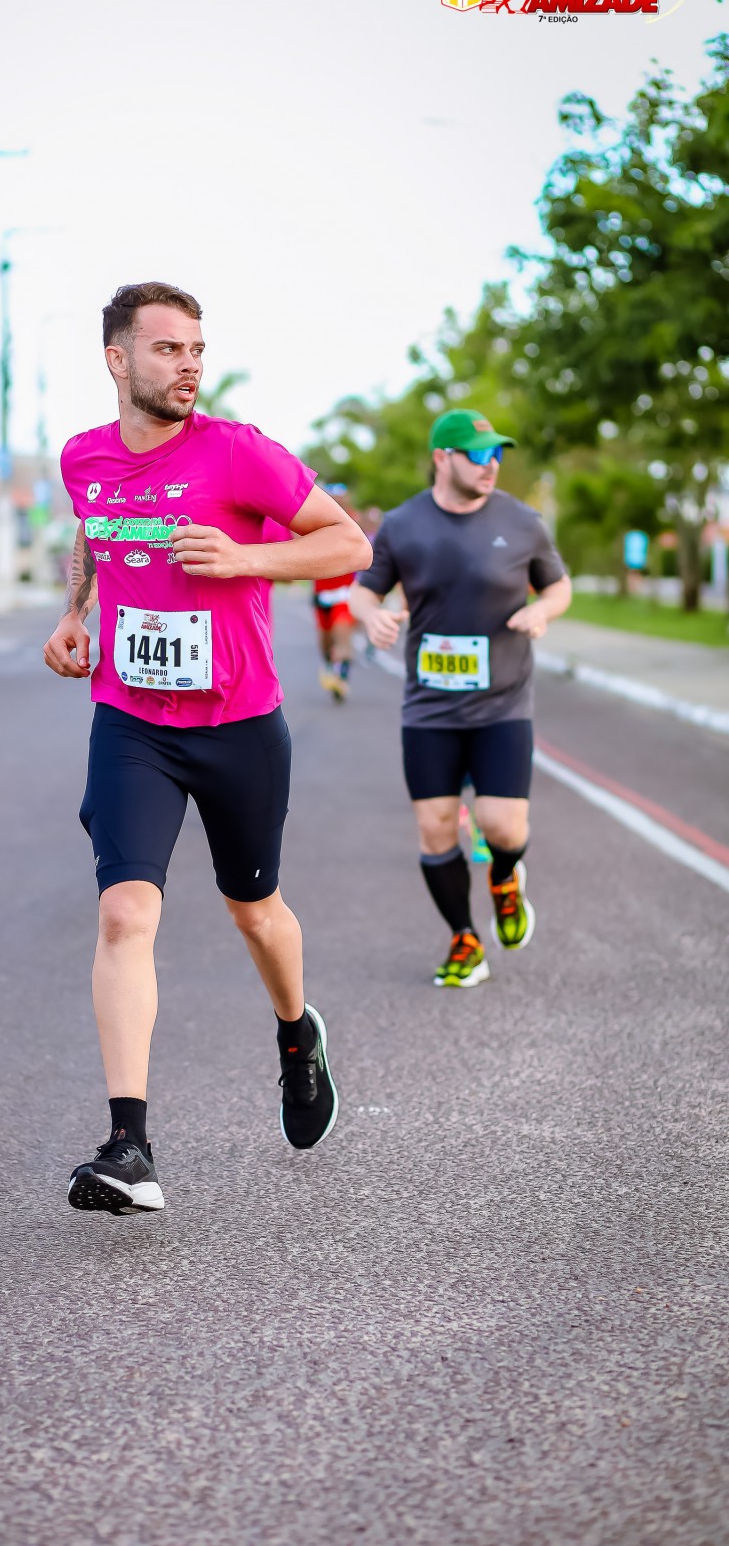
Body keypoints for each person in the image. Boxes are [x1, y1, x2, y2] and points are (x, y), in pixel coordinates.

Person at [43, 282, 371, 1214]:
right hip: (133, 721)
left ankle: (296, 1033)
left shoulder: (238, 451)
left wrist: (246, 558)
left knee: (253, 910)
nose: (189, 365)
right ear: (118, 360)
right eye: (168, 349)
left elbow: (345, 544)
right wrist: (73, 614)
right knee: (124, 915)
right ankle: (129, 1146)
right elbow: (97, 530)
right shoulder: (83, 457)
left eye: (196, 349)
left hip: (238, 724)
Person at [351, 409, 571, 988]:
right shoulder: (403, 524)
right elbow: (363, 591)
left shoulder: (522, 521)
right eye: (477, 454)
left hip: (502, 704)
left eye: (496, 453)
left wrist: (542, 611)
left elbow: (559, 586)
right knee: (437, 830)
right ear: (442, 458)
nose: (490, 464)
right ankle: (464, 939)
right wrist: (372, 616)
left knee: (503, 828)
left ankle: (505, 878)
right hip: (429, 709)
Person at [312, 487, 359, 702]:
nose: (337, 500)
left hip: (344, 595)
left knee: (342, 638)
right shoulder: (314, 521)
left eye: (341, 497)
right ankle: (329, 665)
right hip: (322, 594)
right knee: (325, 643)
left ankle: (342, 679)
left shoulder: (352, 522)